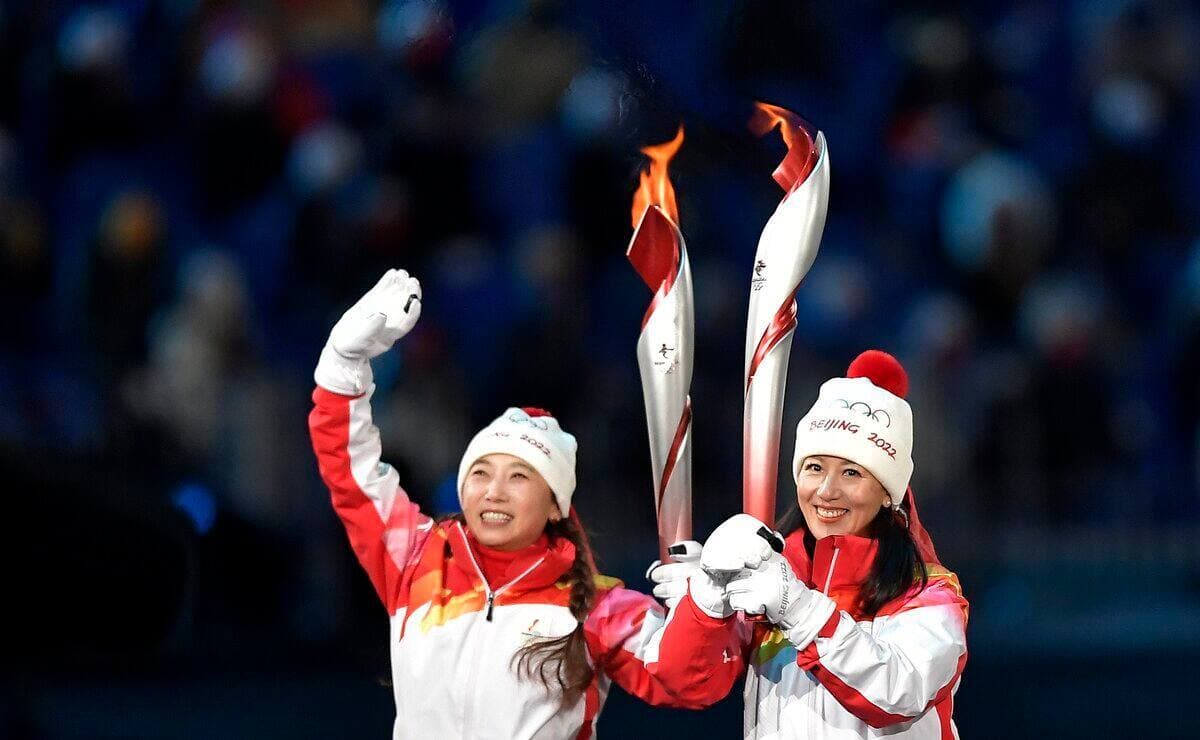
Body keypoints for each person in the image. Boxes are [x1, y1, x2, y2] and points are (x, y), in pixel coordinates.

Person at [308, 269, 712, 739]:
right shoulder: (417, 562)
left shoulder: (597, 607)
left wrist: (702, 609)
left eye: (519, 476)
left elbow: (690, 682)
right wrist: (343, 365)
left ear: (556, 505)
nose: (494, 491)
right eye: (480, 473)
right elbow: (351, 473)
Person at [647, 350, 969, 738]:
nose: (827, 491)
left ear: (888, 492)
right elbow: (684, 684)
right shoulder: (769, 572)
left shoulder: (928, 594)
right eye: (815, 468)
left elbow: (900, 694)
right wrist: (706, 602)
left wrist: (800, 610)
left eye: (852, 473)